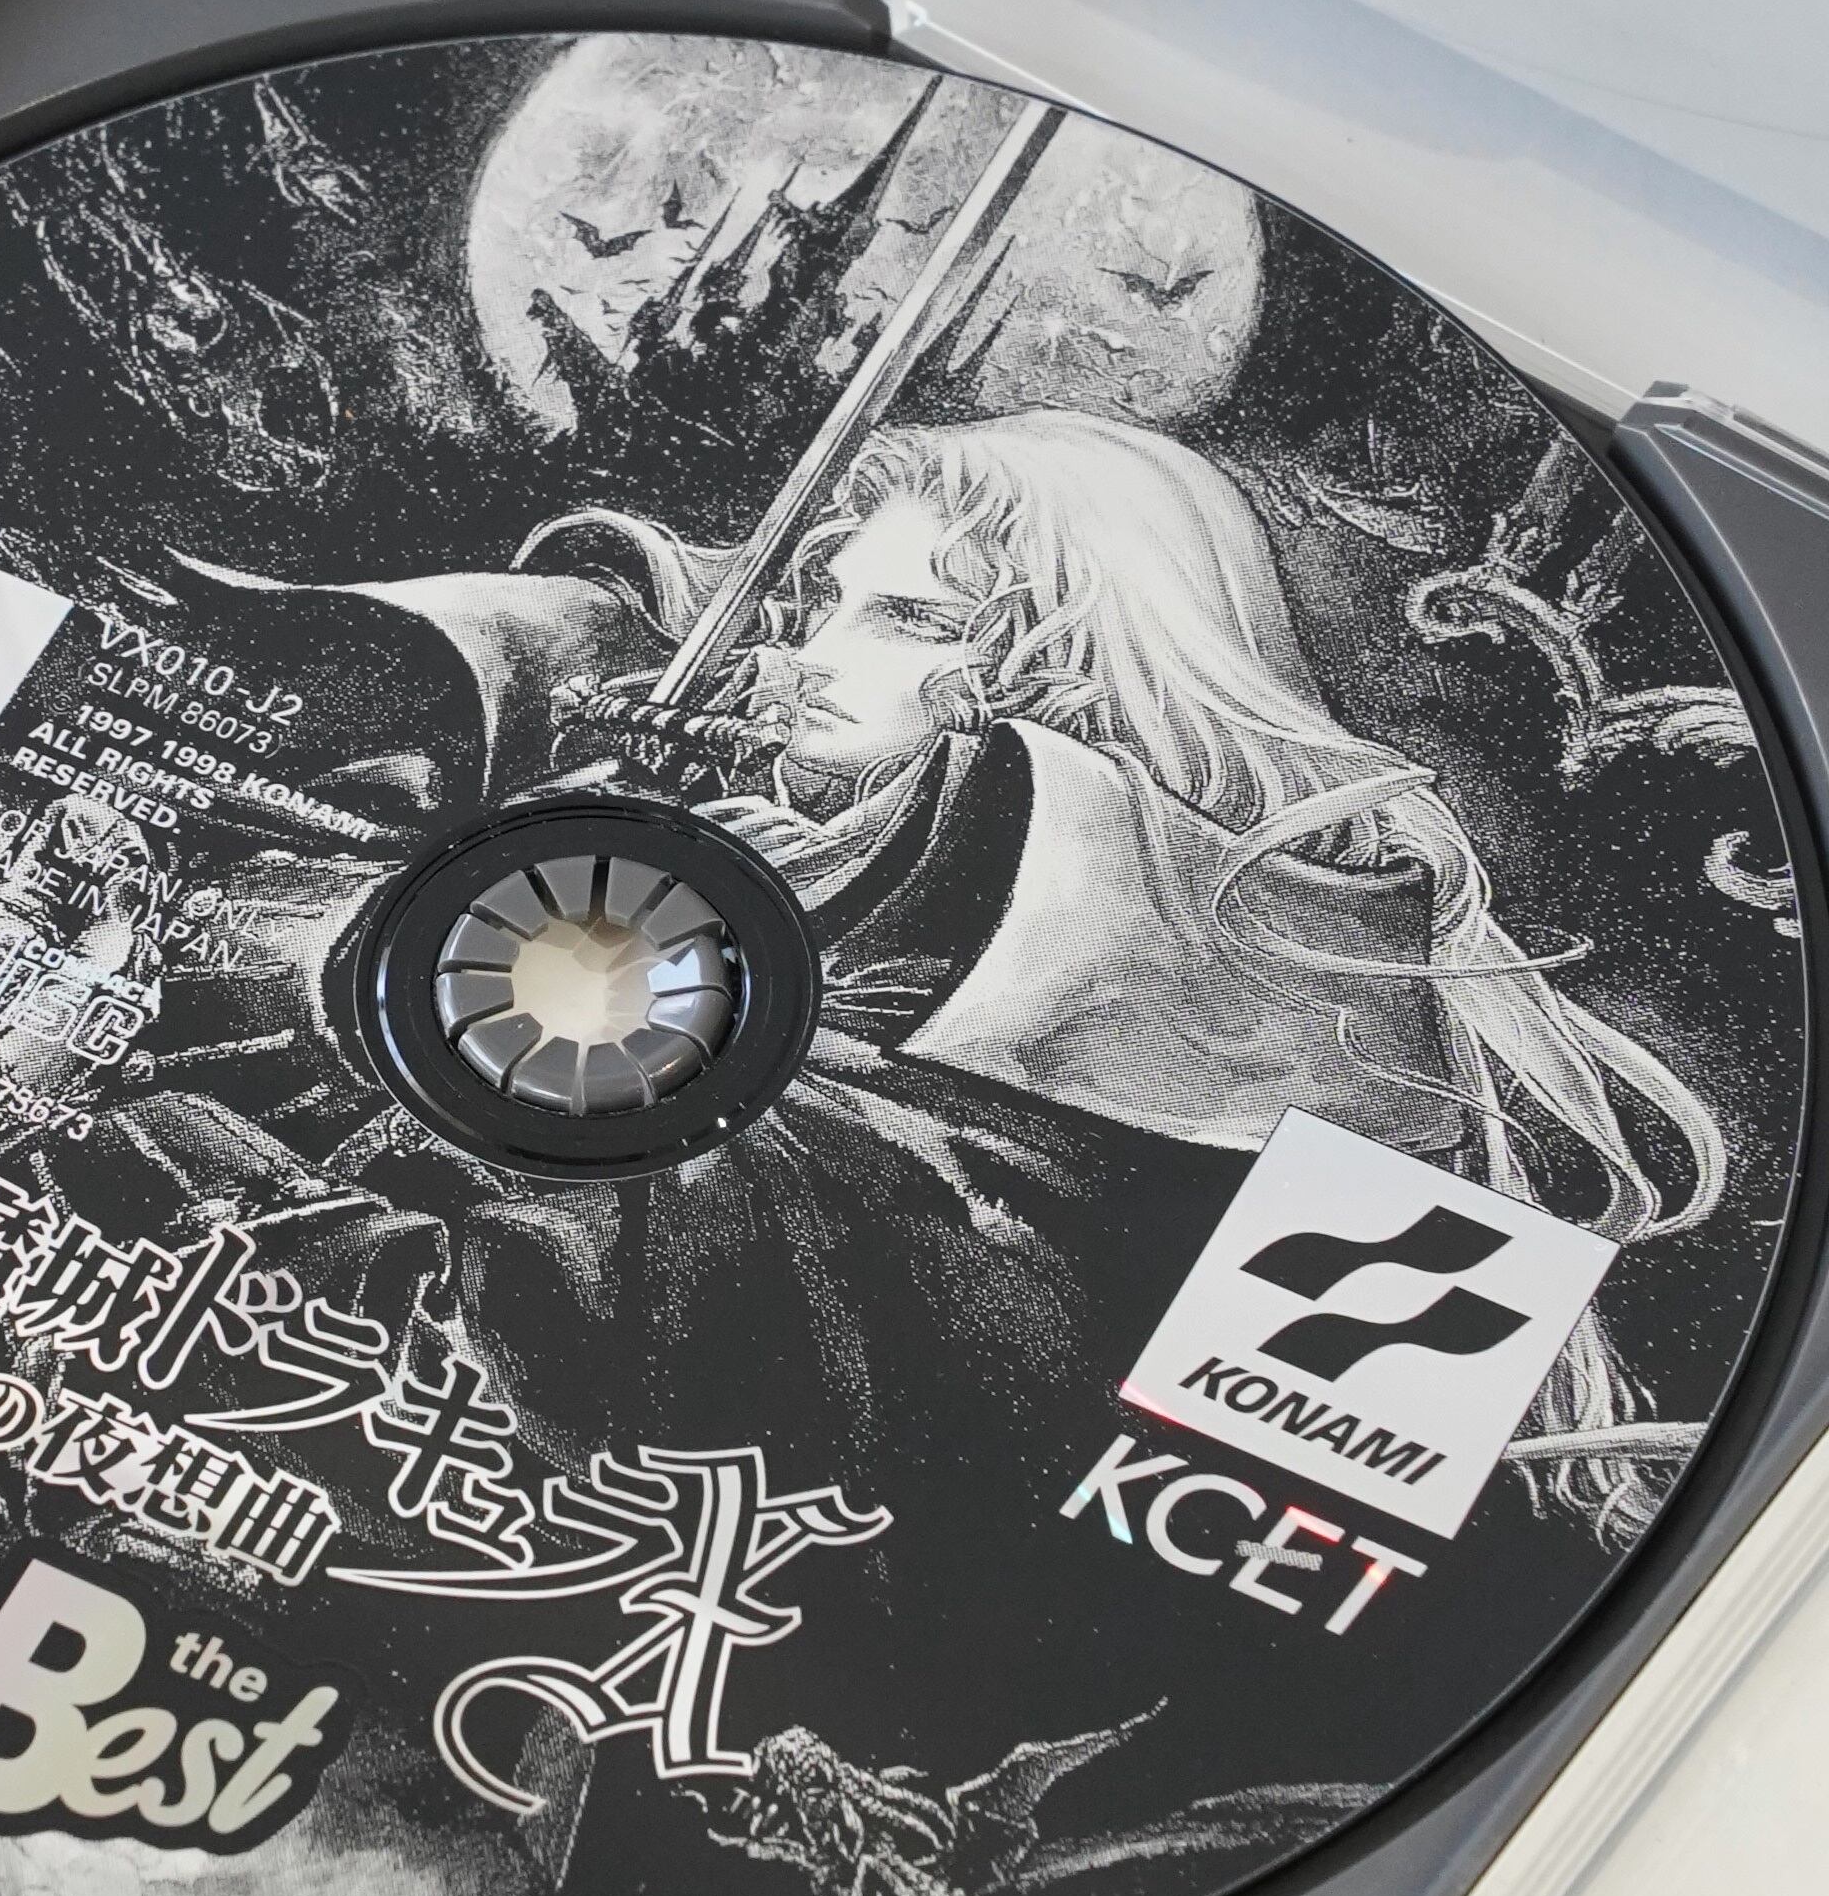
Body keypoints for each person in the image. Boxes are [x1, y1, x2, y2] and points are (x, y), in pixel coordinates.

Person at [522, 407, 1722, 1539]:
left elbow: (1315, 1518)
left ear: (1086, 646)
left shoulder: (1329, 963)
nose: (812, 660)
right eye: (827, 605)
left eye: (914, 620)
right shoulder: (808, 867)